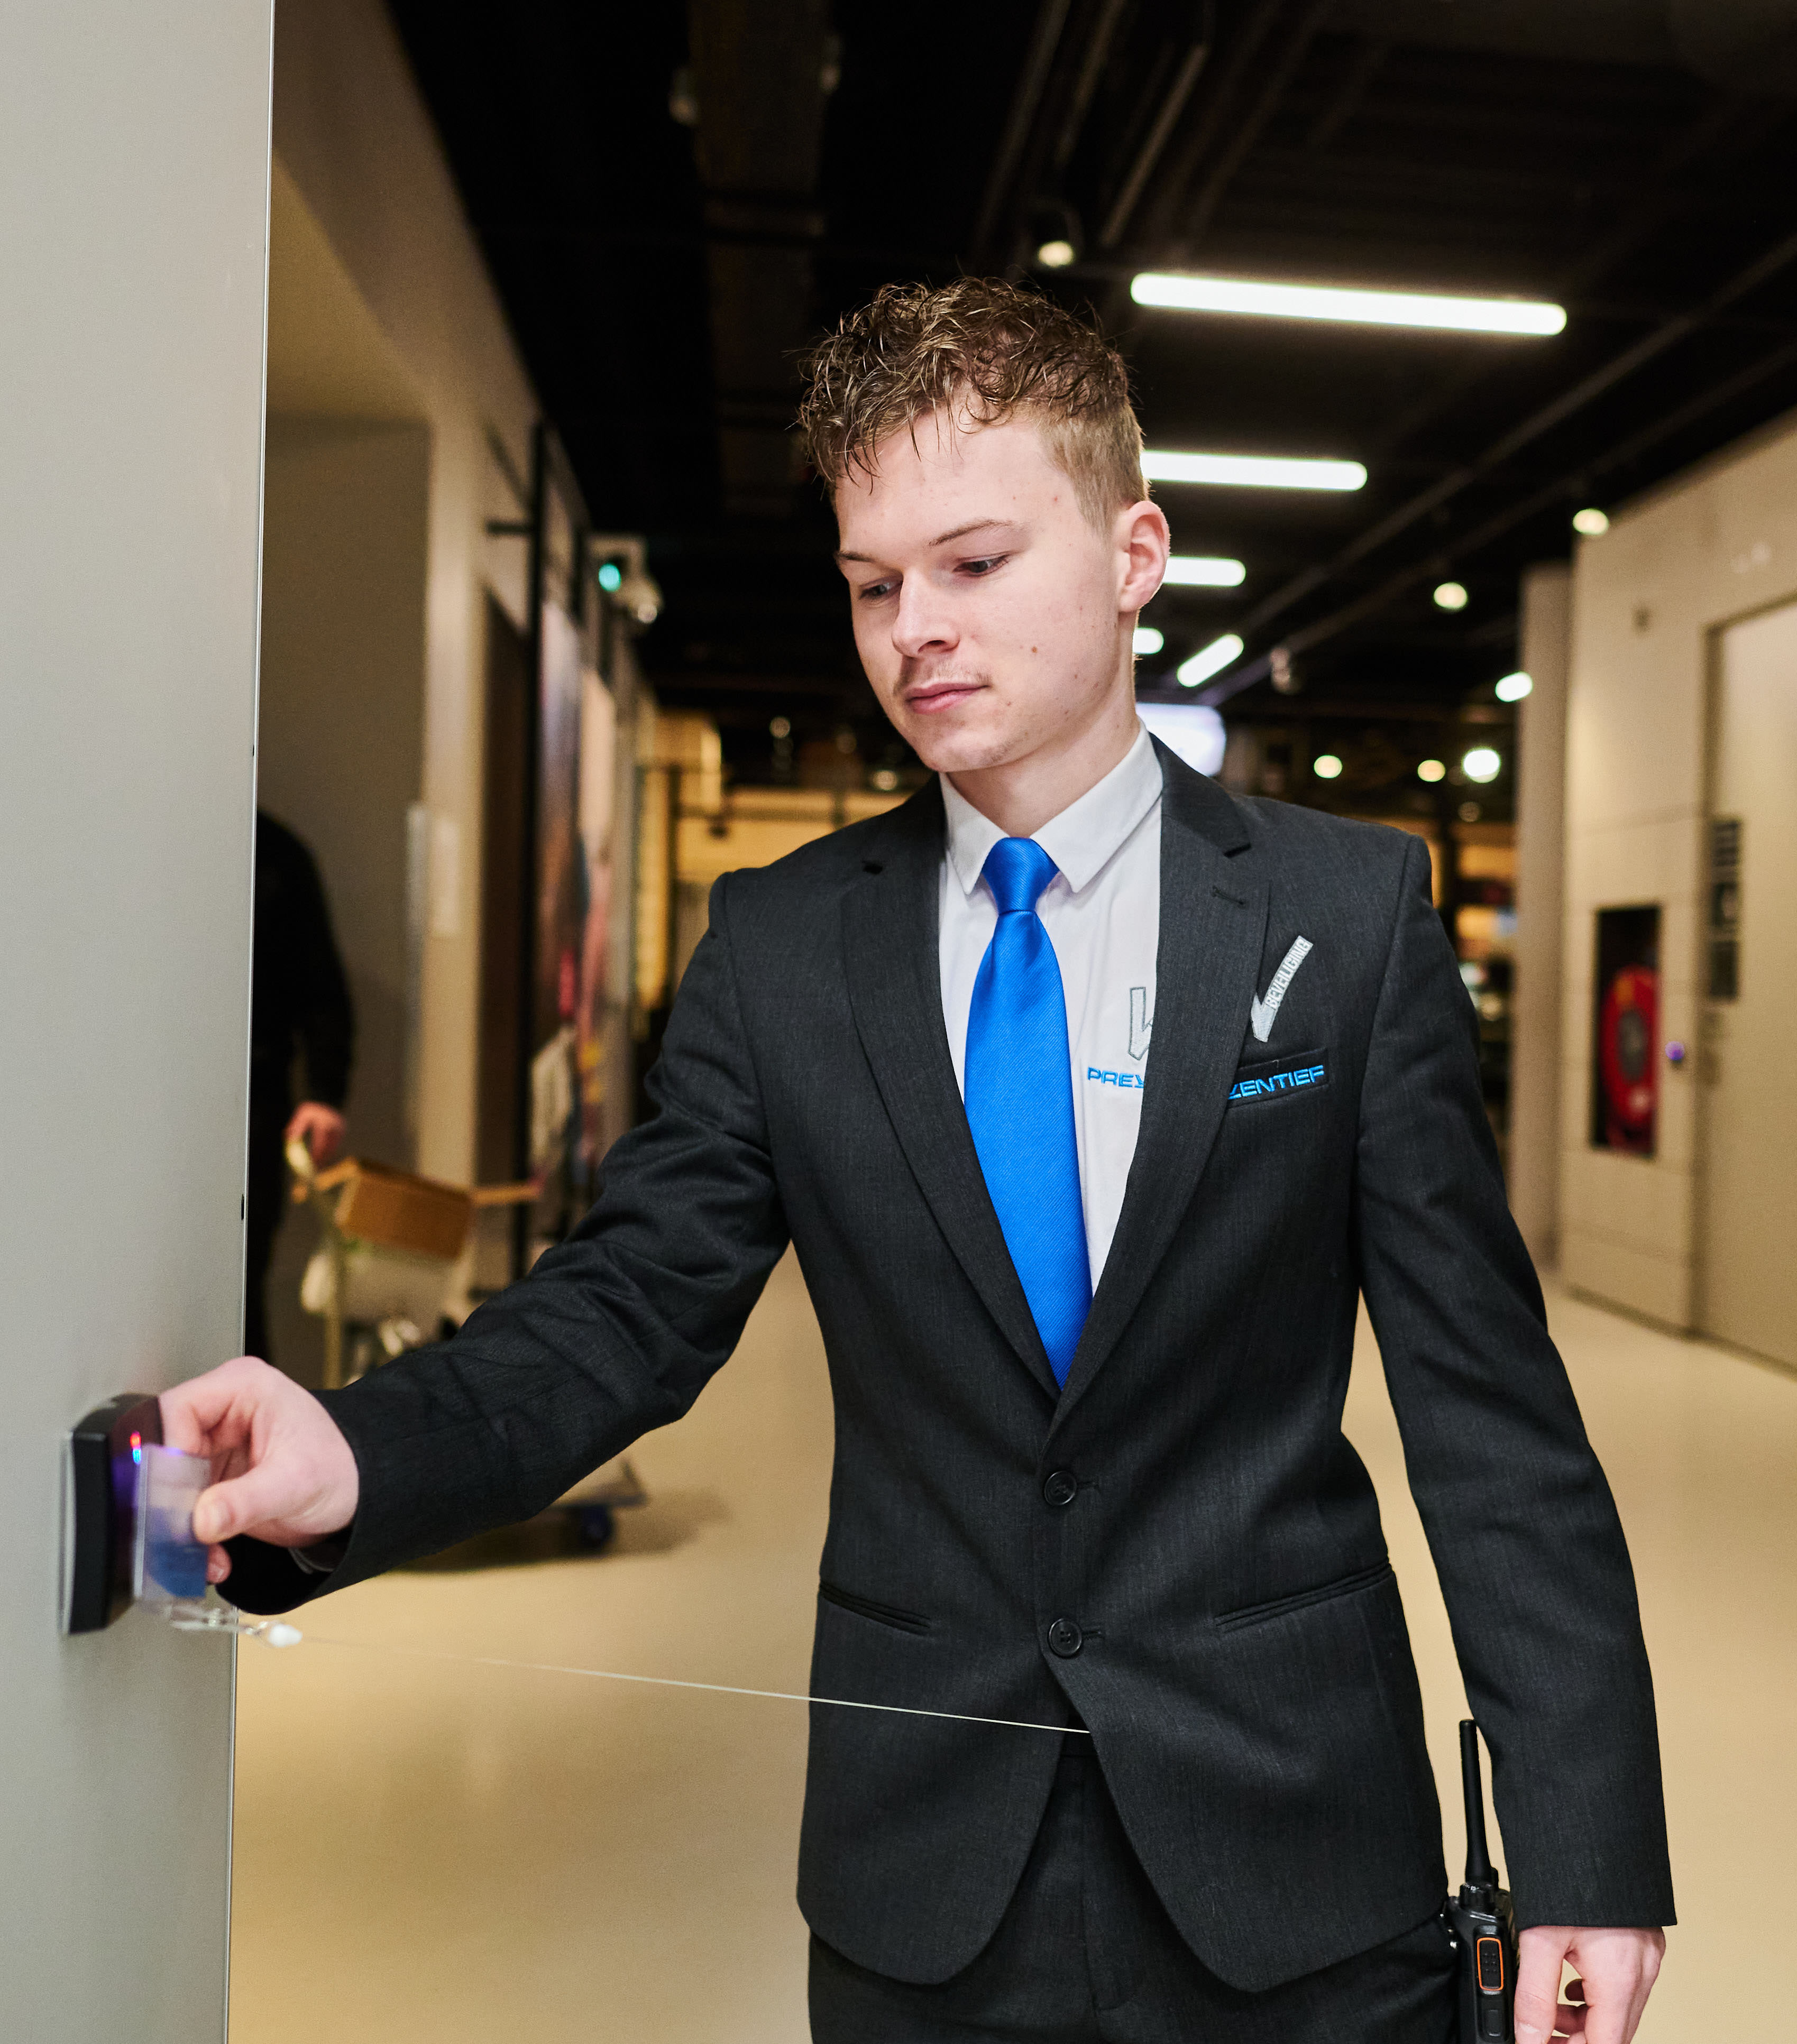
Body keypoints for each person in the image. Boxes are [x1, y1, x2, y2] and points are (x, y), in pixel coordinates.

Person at [167, 280, 1672, 2044]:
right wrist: (352, 1440)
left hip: (1294, 1859)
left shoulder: (1342, 919)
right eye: (874, 585)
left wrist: (1587, 1842)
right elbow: (626, 1308)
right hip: (928, 1888)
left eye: (970, 564)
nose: (914, 633)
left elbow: (1487, 1416)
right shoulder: (783, 951)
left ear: (1132, 553)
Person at [246, 809, 353, 1362]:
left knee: (242, 1281)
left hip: (256, 1102)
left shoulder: (278, 855)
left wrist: (323, 1093)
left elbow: (322, 991)